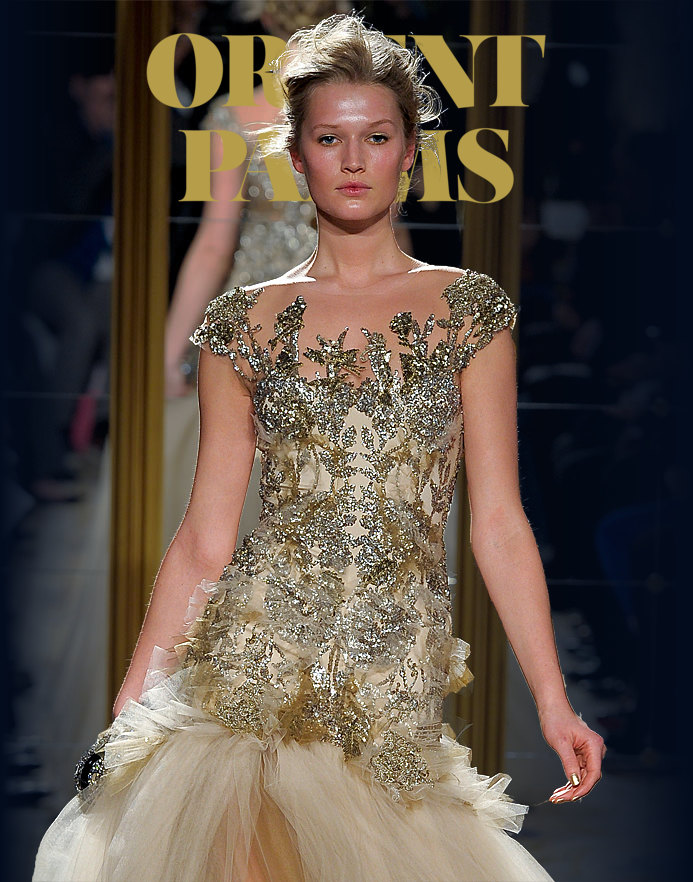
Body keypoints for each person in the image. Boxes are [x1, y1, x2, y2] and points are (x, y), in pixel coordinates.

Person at [33, 13, 604, 881]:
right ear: (295, 158)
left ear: (410, 152)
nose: (352, 159)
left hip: (390, 689)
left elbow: (498, 523)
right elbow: (204, 540)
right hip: (252, 674)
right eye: (329, 139)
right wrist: (129, 711)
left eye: (375, 136)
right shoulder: (243, 323)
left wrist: (554, 701)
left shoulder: (467, 311)